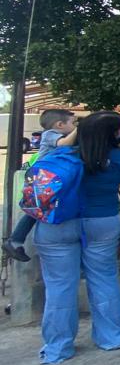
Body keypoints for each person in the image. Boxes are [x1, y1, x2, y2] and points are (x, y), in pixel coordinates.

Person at [33, 111, 120, 363]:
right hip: (102, 221)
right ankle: (113, 337)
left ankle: (58, 347)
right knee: (104, 279)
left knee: (59, 285)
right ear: (114, 133)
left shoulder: (58, 154)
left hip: (57, 224)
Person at [4, 108, 77, 262]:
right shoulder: (50, 135)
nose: (75, 126)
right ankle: (14, 241)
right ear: (59, 124)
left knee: (36, 212)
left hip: (48, 178)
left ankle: (15, 241)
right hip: (43, 178)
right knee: (34, 211)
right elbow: (64, 144)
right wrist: (80, 130)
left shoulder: (59, 134)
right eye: (73, 123)